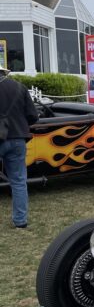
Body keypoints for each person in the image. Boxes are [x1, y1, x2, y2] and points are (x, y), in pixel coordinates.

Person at [0, 67, 39, 228]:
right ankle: (20, 221)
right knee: (18, 181)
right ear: (4, 73)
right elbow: (33, 116)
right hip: (17, 138)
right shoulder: (19, 87)